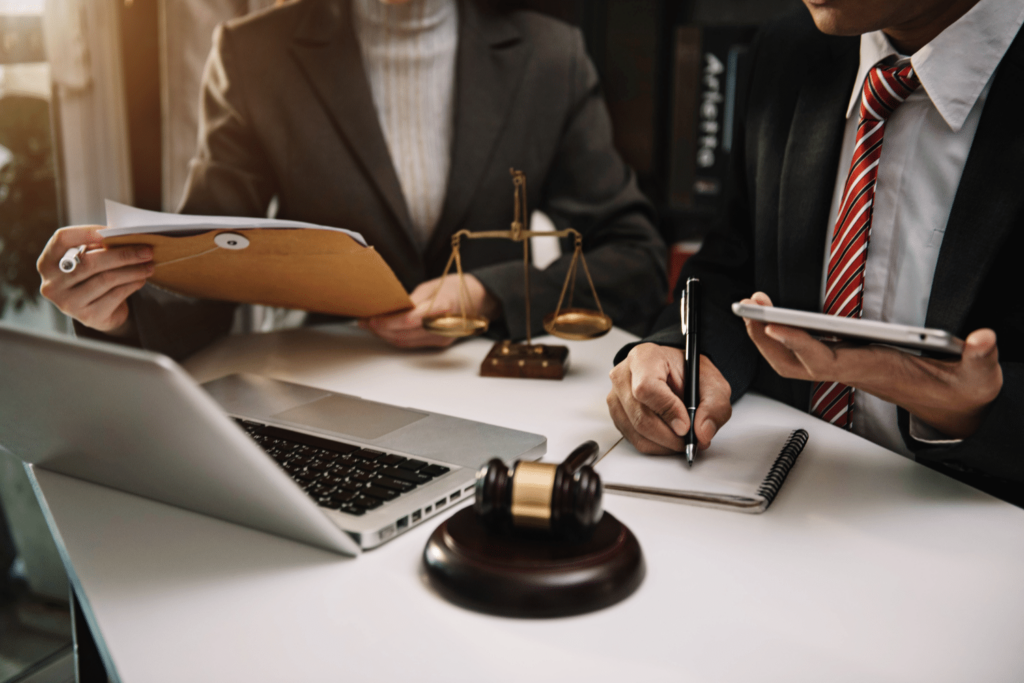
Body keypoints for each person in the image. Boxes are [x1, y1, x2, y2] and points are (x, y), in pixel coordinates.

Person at [36, 0, 667, 360]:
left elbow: (634, 261)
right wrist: (116, 310)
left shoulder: (552, 57)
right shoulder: (253, 55)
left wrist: (491, 292)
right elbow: (208, 267)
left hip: (490, 380)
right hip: (323, 386)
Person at [607, 0, 1024, 505]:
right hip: (778, 505)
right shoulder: (789, 49)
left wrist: (974, 417)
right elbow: (731, 267)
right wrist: (682, 351)